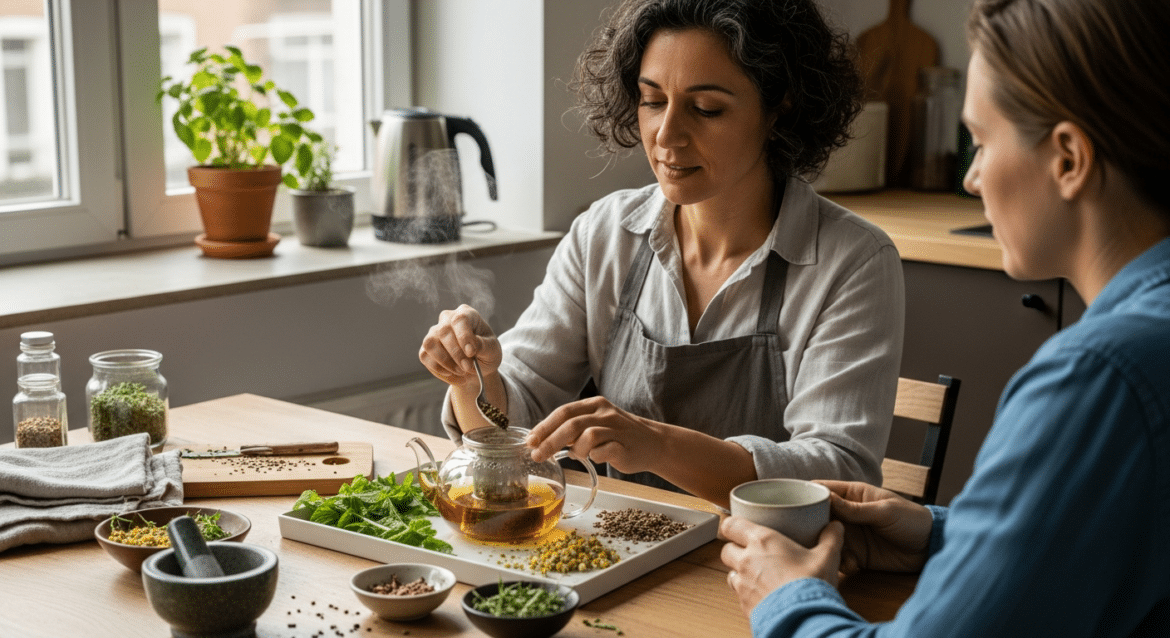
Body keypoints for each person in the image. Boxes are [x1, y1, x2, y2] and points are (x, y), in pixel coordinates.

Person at [720, 0, 1170, 634]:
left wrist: (785, 598)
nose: (971, 178)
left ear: (1069, 158)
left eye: (981, 142)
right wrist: (937, 534)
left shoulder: (1099, 376)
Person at [418, 0, 905, 508]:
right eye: (652, 101)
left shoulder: (853, 261)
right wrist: (476, 378)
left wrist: (656, 444)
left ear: (780, 106)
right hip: (619, 552)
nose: (667, 135)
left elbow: (838, 468)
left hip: (766, 562)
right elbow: (518, 423)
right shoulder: (604, 234)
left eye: (706, 108)